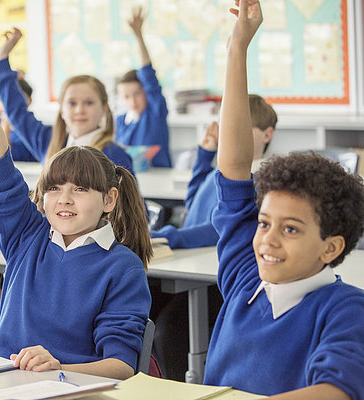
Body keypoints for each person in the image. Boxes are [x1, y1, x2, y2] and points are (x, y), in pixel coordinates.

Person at [0, 13, 151, 380]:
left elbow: (121, 367)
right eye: (54, 189)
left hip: (70, 388)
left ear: (110, 199)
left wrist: (58, 366)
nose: (65, 199)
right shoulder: (27, 236)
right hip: (2, 386)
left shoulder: (122, 266)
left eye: (81, 189)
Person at [204, 1, 364, 398]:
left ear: (331, 247)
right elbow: (235, 166)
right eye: (264, 223)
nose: (268, 240)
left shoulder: (345, 309)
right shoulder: (245, 277)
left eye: (291, 229)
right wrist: (237, 49)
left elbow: (334, 392)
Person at [0, 28, 134, 174]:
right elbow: (17, 113)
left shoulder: (115, 156)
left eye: (89, 103)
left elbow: (129, 197)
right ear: (62, 109)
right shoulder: (50, 141)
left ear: (104, 108)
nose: (80, 110)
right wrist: (2, 59)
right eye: (72, 103)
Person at [151, 94, 276, 248]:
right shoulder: (221, 170)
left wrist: (169, 237)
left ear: (267, 134)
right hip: (191, 253)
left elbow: (221, 229)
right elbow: (193, 205)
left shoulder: (259, 181)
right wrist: (204, 157)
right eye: (226, 127)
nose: (230, 134)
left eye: (242, 128)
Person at [116, 6, 171, 168]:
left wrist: (138, 36)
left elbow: (148, 73)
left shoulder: (155, 112)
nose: (132, 100)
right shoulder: (120, 121)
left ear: (146, 92)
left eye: (137, 93)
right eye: (126, 96)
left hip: (160, 182)